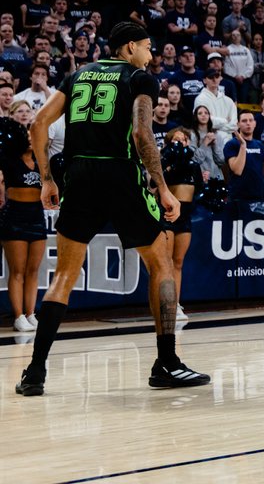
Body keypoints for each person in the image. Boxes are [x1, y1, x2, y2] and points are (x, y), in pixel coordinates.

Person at [18, 22, 209, 395]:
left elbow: (39, 123)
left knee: (63, 277)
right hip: (120, 173)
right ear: (129, 47)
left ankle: (35, 372)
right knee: (161, 264)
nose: (151, 55)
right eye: (148, 47)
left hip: (79, 175)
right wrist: (164, 188)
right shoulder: (140, 78)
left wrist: (46, 179)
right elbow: (141, 133)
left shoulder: (76, 77)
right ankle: (166, 363)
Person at [1, 107, 48, 332]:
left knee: (33, 270)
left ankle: (31, 313)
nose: (30, 139)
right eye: (26, 136)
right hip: (15, 216)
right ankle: (18, 315)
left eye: (32, 136)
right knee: (17, 270)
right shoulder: (9, 160)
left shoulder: (41, 161)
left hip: (36, 216)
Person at [161, 128, 202, 321]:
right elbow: (154, 185)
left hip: (185, 217)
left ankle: (176, 304)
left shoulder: (194, 166)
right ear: (168, 143)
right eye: (176, 140)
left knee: (178, 262)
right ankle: (166, 304)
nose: (181, 142)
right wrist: (170, 167)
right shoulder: (164, 163)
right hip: (168, 215)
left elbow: (200, 190)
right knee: (166, 263)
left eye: (184, 139)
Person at [224, 111, 264, 202]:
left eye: (251, 120)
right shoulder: (231, 144)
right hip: (239, 196)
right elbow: (237, 170)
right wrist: (243, 146)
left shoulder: (260, 144)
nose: (248, 123)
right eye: (244, 121)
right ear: (238, 124)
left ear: (255, 123)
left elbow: (263, 172)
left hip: (259, 194)